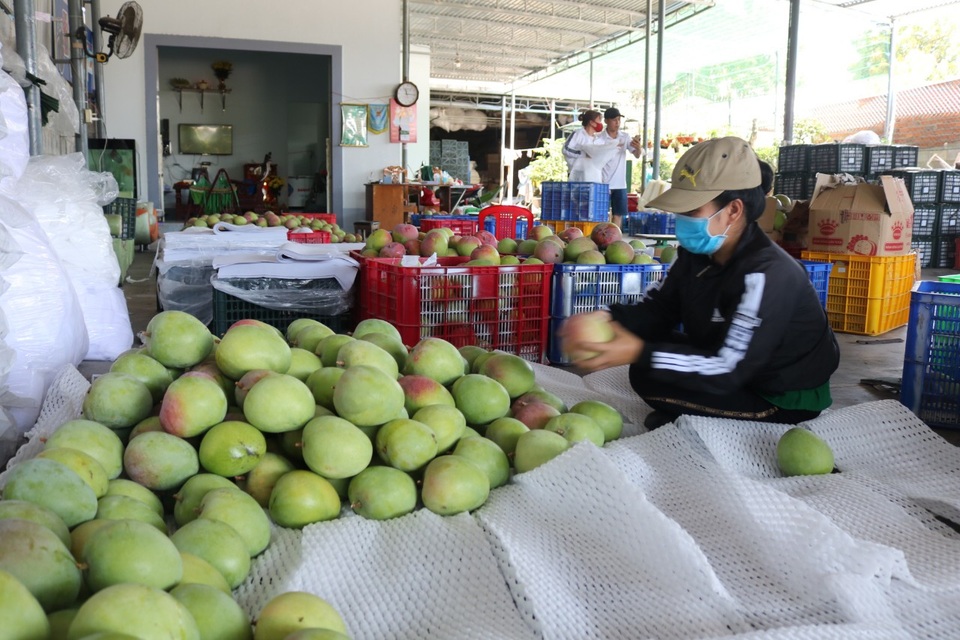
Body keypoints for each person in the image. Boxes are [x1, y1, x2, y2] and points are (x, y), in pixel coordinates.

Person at [559, 136, 840, 430]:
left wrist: (638, 351)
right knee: (647, 369)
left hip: (779, 394)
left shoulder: (766, 274)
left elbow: (729, 367)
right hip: (736, 363)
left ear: (733, 210)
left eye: (692, 211)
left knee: (651, 367)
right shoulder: (697, 256)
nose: (682, 220)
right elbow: (660, 309)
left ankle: (731, 417)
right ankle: (699, 412)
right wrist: (609, 318)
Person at [600, 107, 641, 228]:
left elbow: (637, 155)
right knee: (601, 214)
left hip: (620, 183)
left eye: (619, 119)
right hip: (603, 182)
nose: (617, 123)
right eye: (614, 120)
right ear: (606, 121)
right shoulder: (599, 138)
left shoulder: (625, 137)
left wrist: (638, 147)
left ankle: (615, 239)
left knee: (618, 215)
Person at [562, 110, 620, 183]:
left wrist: (613, 147)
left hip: (593, 176)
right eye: (599, 121)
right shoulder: (578, 134)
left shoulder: (598, 140)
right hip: (577, 174)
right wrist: (583, 154)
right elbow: (565, 149)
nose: (600, 124)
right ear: (592, 122)